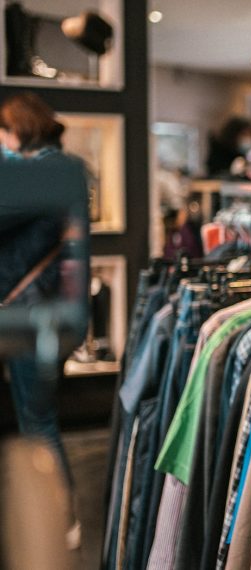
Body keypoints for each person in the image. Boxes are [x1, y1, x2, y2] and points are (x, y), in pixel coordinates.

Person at [0, 91, 86, 549]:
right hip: (41, 309)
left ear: (19, 128)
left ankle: (61, 517)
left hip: (31, 314)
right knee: (37, 415)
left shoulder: (40, 172)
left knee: (37, 418)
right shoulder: (55, 169)